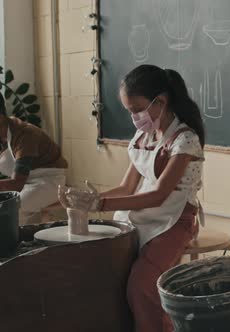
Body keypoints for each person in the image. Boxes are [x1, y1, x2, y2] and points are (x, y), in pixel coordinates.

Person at [59, 64, 205, 332]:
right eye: (130, 111)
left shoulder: (184, 140)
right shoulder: (143, 136)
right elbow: (127, 187)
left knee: (142, 287)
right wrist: (89, 198)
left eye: (137, 109)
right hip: (142, 214)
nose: (134, 117)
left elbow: (159, 195)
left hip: (175, 221)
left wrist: (99, 205)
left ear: (160, 101)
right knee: (111, 276)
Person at [0, 94, 67, 225]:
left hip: (48, 182)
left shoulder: (24, 135)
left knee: (12, 208)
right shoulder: (4, 131)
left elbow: (16, 184)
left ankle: (16, 243)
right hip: (26, 182)